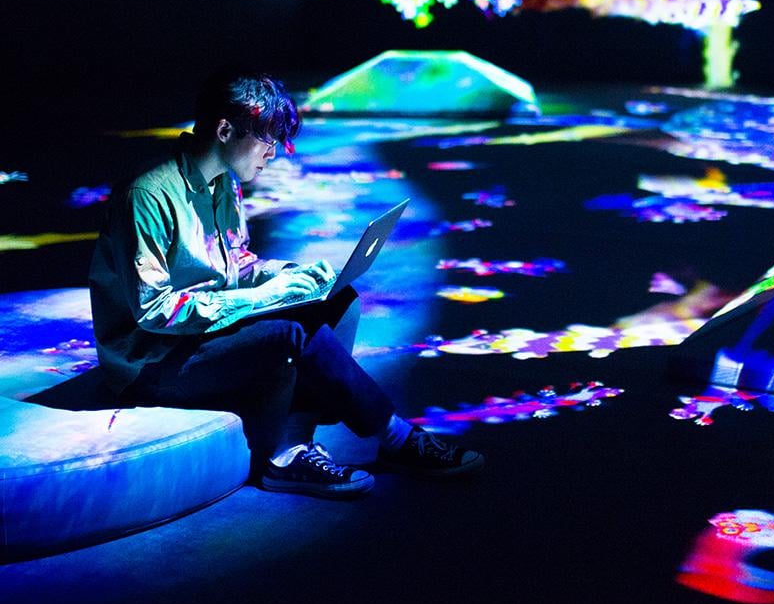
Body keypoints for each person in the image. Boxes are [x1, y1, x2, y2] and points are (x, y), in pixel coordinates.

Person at [89, 72, 483, 498]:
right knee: (290, 334)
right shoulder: (147, 195)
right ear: (225, 131)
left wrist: (289, 274)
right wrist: (262, 297)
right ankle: (386, 439)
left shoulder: (225, 183)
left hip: (199, 335)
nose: (273, 153)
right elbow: (154, 310)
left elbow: (236, 262)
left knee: (339, 302)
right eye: (266, 140)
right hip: (150, 362)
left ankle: (296, 442)